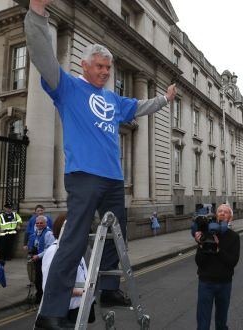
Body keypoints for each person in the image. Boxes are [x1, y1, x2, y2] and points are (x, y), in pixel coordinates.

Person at [25, 1, 178, 328]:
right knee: (75, 239)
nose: (106, 72)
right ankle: (51, 312)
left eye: (108, 68)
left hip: (113, 178)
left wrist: (165, 100)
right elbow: (42, 56)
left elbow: (139, 106)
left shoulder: (112, 100)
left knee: (114, 234)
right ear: (85, 65)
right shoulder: (67, 87)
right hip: (83, 175)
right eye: (100, 67)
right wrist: (38, 14)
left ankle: (108, 289)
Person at [193, 204, 240, 330]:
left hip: (225, 284)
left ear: (230, 217)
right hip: (206, 283)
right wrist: (202, 246)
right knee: (203, 323)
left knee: (221, 321)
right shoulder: (206, 233)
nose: (222, 213)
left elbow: (232, 262)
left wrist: (218, 249)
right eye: (219, 211)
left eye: (226, 212)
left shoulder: (234, 237)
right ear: (215, 215)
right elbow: (199, 262)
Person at [42, 214, 95, 324]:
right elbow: (49, 286)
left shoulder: (73, 250)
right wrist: (82, 292)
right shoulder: (53, 252)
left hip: (78, 307)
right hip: (65, 311)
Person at [27, 215, 55, 303]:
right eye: (37, 223)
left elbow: (50, 248)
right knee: (37, 278)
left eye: (41, 223)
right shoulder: (36, 232)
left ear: (46, 223)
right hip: (37, 258)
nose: (39, 224)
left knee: (41, 279)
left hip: (44, 259)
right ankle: (39, 295)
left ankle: (41, 297)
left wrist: (38, 256)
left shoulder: (48, 233)